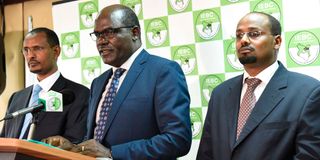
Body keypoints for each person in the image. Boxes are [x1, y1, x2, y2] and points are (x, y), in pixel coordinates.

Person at [42, 4, 192, 160]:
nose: (101, 41)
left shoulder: (163, 71)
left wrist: (112, 154)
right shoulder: (98, 83)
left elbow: (177, 139)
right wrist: (74, 147)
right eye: (97, 35)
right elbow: (97, 142)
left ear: (135, 33)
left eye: (109, 33)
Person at [197, 12, 320, 160]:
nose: (243, 40)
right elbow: (206, 152)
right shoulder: (220, 94)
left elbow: (309, 156)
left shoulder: (308, 92)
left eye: (254, 34)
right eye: (239, 35)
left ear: (277, 41)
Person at [0, 27, 89, 144]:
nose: (30, 55)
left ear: (56, 51)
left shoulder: (78, 94)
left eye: (37, 48)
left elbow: (74, 143)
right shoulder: (17, 98)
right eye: (26, 50)